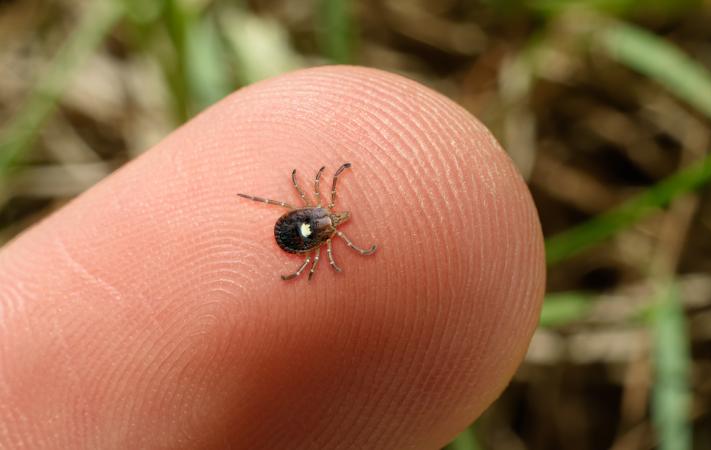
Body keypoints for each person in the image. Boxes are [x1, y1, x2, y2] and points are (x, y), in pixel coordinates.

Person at [0, 66, 545, 449]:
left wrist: (316, 247)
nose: (338, 222)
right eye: (333, 219)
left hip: (290, 234)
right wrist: (318, 246)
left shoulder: (322, 229)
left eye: (333, 224)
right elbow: (315, 230)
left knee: (305, 217)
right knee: (307, 219)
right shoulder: (322, 228)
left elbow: (312, 228)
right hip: (291, 233)